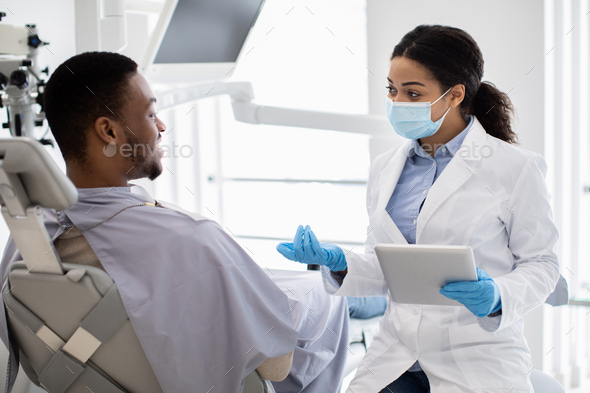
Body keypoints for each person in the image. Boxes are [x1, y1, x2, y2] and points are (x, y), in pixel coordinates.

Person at [0, 51, 349, 393]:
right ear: (109, 132)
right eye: (151, 114)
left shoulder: (26, 238)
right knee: (329, 294)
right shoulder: (194, 238)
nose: (162, 126)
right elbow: (276, 363)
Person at [277, 25, 561, 393]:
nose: (398, 103)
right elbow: (387, 268)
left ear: (455, 94)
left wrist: (498, 296)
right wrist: (339, 261)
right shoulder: (385, 168)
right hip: (396, 352)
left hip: (477, 355)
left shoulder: (515, 168)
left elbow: (543, 264)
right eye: (392, 90)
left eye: (413, 93)